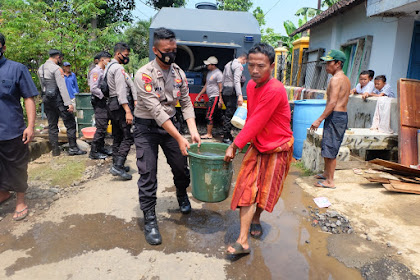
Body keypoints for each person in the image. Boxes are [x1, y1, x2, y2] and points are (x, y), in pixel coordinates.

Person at [224, 43, 294, 255]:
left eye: (261, 66)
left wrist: (235, 145)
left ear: (272, 66)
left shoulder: (275, 89)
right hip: (258, 144)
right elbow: (252, 118)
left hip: (278, 146)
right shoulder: (251, 87)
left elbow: (258, 121)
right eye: (251, 65)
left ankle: (256, 217)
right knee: (246, 188)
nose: (254, 70)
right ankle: (243, 241)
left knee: (264, 191)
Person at [133, 27, 201, 245]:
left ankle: (181, 194)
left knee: (181, 167)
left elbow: (186, 102)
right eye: (166, 50)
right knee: (148, 174)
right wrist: (181, 138)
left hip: (171, 125)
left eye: (174, 49)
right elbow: (156, 111)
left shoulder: (179, 73)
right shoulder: (143, 74)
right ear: (155, 50)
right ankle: (150, 219)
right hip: (147, 129)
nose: (171, 54)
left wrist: (192, 130)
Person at [0, 32, 38, 221]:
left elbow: (29, 97)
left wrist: (30, 126)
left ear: (3, 47)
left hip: (12, 130)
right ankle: (3, 192)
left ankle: (20, 200)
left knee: (17, 166)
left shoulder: (16, 69)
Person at [310, 49, 351, 189]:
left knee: (330, 147)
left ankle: (330, 181)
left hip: (336, 116)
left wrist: (319, 119)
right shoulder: (345, 79)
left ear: (338, 63)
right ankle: (327, 174)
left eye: (329, 63)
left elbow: (332, 103)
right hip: (340, 116)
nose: (327, 66)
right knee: (328, 145)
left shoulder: (335, 80)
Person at [38, 49, 86, 156]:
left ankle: (55, 150)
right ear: (57, 57)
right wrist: (68, 103)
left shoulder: (40, 68)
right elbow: (62, 87)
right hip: (58, 100)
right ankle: (73, 148)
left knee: (52, 125)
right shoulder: (56, 69)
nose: (61, 60)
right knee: (70, 123)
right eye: (61, 58)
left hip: (46, 99)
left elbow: (43, 86)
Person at [106, 42, 135, 180]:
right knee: (128, 137)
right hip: (119, 105)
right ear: (118, 53)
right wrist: (128, 110)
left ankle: (116, 164)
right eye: (126, 55)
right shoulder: (118, 68)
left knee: (117, 136)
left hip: (111, 105)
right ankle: (118, 166)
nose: (126, 57)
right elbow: (121, 91)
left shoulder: (108, 66)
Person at [89, 51, 112, 160]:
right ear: (102, 60)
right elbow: (93, 88)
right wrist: (104, 96)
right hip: (99, 101)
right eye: (108, 60)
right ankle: (94, 151)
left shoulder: (104, 70)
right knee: (101, 126)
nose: (109, 62)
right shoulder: (96, 71)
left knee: (105, 125)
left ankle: (101, 147)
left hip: (104, 102)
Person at [221, 53, 248, 144]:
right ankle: (226, 137)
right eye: (246, 62)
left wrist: (221, 94)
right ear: (244, 59)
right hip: (232, 92)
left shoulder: (228, 64)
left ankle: (227, 134)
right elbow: (237, 81)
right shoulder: (238, 66)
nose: (245, 63)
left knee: (227, 114)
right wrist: (240, 95)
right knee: (229, 114)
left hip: (225, 91)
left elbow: (223, 80)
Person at [195, 56, 223, 139]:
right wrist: (199, 94)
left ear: (213, 65)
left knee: (209, 115)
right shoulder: (210, 73)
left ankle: (209, 134)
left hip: (215, 97)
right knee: (217, 115)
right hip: (211, 96)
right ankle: (223, 132)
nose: (207, 66)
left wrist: (220, 100)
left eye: (208, 64)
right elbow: (207, 85)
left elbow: (220, 87)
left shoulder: (218, 74)